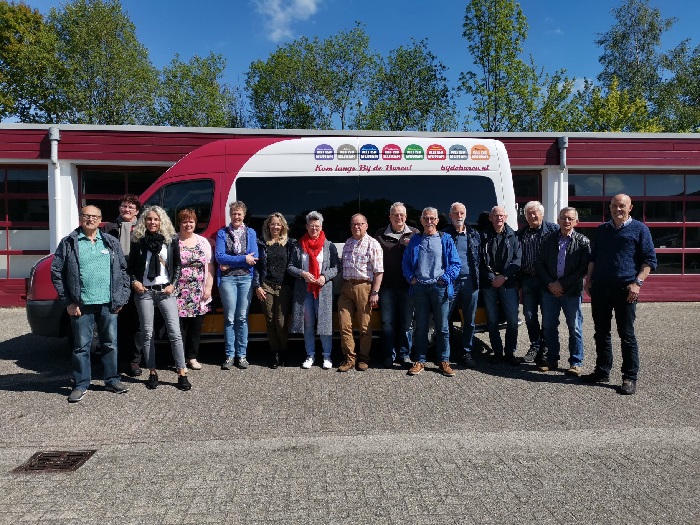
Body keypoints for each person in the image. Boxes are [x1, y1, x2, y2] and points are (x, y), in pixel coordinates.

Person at [51, 205, 131, 402]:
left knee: (110, 344)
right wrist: (68, 302)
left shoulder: (110, 241)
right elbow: (56, 272)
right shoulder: (69, 242)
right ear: (80, 218)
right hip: (81, 304)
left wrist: (121, 297)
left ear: (100, 219)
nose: (90, 219)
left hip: (108, 303)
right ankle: (80, 384)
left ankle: (112, 380)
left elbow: (123, 271)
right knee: (81, 347)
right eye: (86, 216)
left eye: (94, 216)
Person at [583, 194, 656, 395]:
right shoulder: (602, 230)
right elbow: (593, 257)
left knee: (626, 335)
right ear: (610, 207)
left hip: (626, 290)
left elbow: (649, 260)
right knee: (601, 333)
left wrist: (637, 283)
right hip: (601, 289)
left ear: (630, 207)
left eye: (622, 206)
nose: (618, 209)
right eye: (614, 206)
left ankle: (629, 377)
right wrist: (588, 280)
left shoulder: (640, 229)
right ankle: (602, 371)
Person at [129, 205, 191, 391]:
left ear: (161, 220)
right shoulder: (138, 240)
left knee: (175, 332)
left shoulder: (171, 240)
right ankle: (152, 372)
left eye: (156, 219)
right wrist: (134, 282)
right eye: (149, 219)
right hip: (145, 292)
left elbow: (178, 265)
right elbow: (131, 267)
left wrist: (173, 283)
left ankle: (182, 372)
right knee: (147, 333)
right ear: (144, 221)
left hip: (166, 291)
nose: (153, 222)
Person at [402, 207, 461, 377]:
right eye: (426, 218)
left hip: (439, 287)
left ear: (437, 221)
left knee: (442, 328)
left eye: (432, 219)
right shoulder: (415, 240)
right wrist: (410, 277)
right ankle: (420, 360)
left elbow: (455, 264)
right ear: (421, 221)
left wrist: (446, 279)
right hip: (420, 287)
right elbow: (406, 262)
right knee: (420, 327)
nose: (429, 222)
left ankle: (444, 360)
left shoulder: (446, 239)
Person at [535, 207, 590, 376]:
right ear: (558, 220)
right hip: (549, 290)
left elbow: (583, 268)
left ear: (576, 222)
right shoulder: (548, 239)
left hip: (571, 292)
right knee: (549, 326)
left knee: (574, 328)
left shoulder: (583, 242)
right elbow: (540, 264)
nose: (566, 221)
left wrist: (562, 285)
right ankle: (552, 359)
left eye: (570, 218)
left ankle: (575, 362)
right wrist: (552, 284)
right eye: (563, 218)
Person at [288, 211, 339, 369]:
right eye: (311, 226)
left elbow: (336, 267)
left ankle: (327, 356)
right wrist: (302, 273)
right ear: (306, 226)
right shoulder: (298, 245)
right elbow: (290, 267)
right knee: (308, 324)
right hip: (305, 291)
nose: (314, 229)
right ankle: (310, 355)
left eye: (317, 226)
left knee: (324, 323)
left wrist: (325, 276)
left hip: (323, 290)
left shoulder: (328, 245)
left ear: (321, 227)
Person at [102, 194, 143, 377]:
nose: (127, 210)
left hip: (137, 280)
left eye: (131, 207)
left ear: (137, 211)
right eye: (124, 206)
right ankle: (117, 362)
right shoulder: (109, 228)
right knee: (116, 323)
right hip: (116, 281)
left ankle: (134, 361)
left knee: (136, 324)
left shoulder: (142, 227)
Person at [337, 213, 384, 372]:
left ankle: (364, 358)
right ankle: (349, 358)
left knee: (364, 327)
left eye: (360, 224)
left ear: (366, 225)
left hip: (364, 288)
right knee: (344, 325)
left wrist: (375, 292)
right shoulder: (348, 243)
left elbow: (378, 272)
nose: (356, 227)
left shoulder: (373, 244)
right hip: (346, 287)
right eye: (353, 224)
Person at [374, 202, 418, 368]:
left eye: (402, 215)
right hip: (387, 287)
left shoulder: (414, 234)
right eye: (395, 215)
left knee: (407, 323)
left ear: (406, 217)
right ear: (390, 217)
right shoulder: (379, 234)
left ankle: (405, 354)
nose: (398, 217)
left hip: (408, 287)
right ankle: (388, 355)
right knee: (387, 323)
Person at [216, 201, 258, 370]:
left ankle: (241, 355)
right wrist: (242, 259)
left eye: (239, 213)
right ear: (230, 215)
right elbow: (219, 257)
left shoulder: (251, 233)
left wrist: (231, 262)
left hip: (246, 279)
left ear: (244, 215)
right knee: (230, 318)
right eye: (234, 213)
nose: (236, 216)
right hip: (228, 280)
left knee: (242, 318)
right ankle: (229, 355)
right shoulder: (222, 233)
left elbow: (253, 258)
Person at [517, 201, 559, 364]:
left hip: (547, 280)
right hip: (528, 280)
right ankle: (535, 345)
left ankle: (546, 348)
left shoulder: (554, 230)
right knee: (529, 315)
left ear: (542, 214)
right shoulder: (522, 233)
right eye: (529, 213)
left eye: (535, 213)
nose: (532, 216)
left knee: (548, 317)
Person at [253, 212, 296, 368]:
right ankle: (275, 353)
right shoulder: (261, 243)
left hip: (284, 286)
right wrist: (257, 286)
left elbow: (293, 266)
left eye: (278, 224)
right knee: (270, 320)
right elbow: (256, 267)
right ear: (268, 226)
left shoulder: (290, 243)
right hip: (266, 285)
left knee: (281, 321)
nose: (275, 226)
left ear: (283, 226)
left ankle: (284, 350)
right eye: (272, 224)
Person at [480, 205, 521, 366]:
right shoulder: (482, 236)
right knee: (492, 321)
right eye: (496, 215)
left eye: (502, 215)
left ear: (506, 217)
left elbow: (517, 261)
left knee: (512, 320)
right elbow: (479, 262)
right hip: (489, 283)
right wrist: (491, 277)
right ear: (490, 217)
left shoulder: (513, 236)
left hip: (508, 282)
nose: (499, 218)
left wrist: (503, 277)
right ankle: (497, 352)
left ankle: (510, 352)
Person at [443, 202, 481, 368]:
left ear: (466, 215)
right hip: (449, 282)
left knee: (469, 320)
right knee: (445, 318)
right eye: (456, 213)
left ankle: (467, 351)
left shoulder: (474, 234)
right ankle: (445, 352)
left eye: (462, 213)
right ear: (450, 215)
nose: (459, 216)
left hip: (470, 282)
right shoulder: (444, 235)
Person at [175, 209, 214, 370]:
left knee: (195, 327)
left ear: (195, 223)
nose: (188, 224)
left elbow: (210, 266)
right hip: (177, 291)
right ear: (179, 223)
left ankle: (192, 357)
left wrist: (208, 288)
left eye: (191, 221)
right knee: (178, 329)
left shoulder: (202, 242)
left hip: (198, 291)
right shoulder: (172, 241)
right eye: (184, 221)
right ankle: (179, 359)